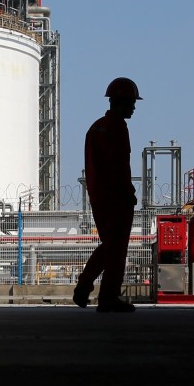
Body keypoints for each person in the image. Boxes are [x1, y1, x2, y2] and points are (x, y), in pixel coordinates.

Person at [73, 78, 141, 313]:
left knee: (110, 245)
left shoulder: (96, 126)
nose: (134, 107)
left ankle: (87, 286)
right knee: (117, 248)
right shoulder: (117, 127)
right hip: (116, 196)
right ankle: (107, 296)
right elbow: (119, 164)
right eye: (132, 102)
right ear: (121, 102)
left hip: (99, 195)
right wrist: (128, 192)